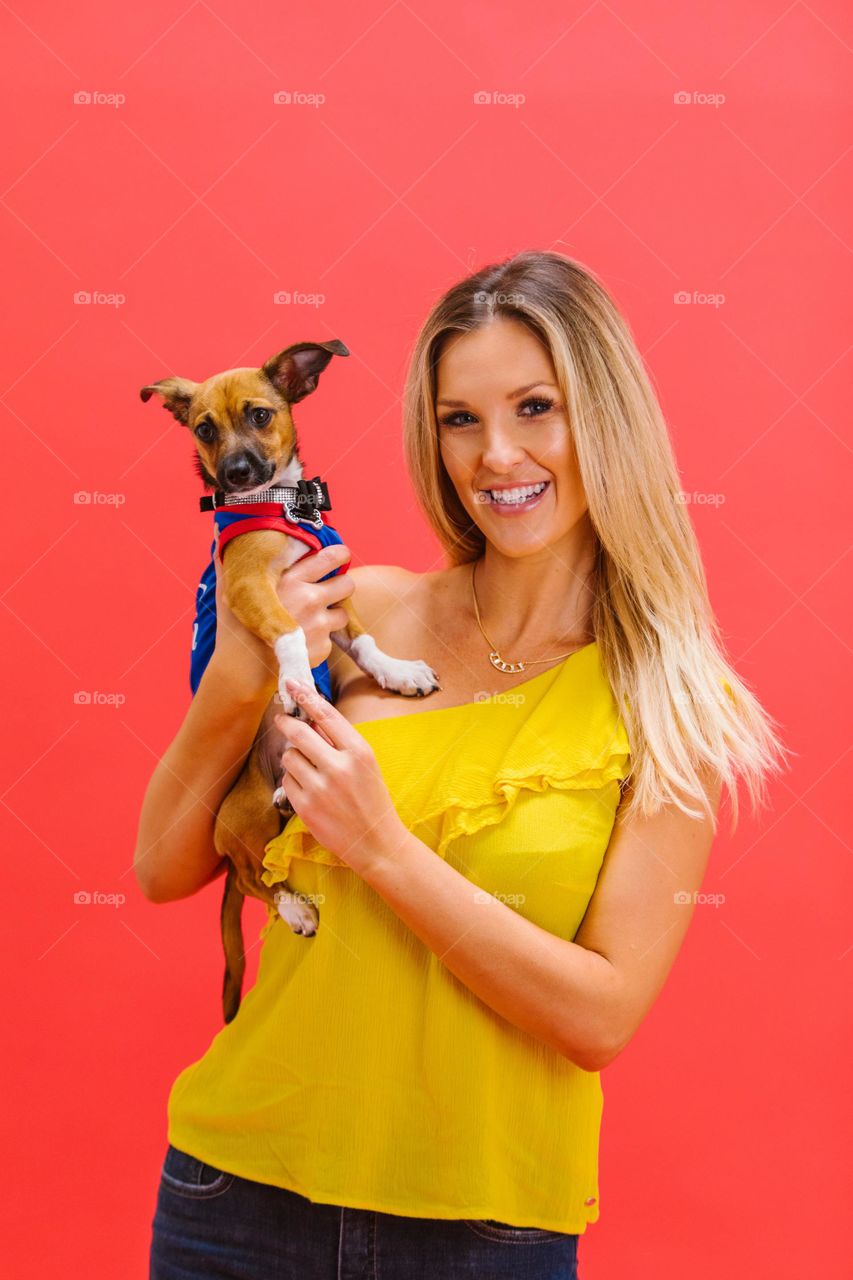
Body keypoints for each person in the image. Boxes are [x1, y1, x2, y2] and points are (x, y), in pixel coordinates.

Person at [136, 250, 788, 1279]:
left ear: (605, 417)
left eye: (535, 407)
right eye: (459, 419)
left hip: (483, 1233)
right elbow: (162, 866)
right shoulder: (358, 604)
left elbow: (598, 1016)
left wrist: (381, 847)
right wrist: (244, 663)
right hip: (238, 1201)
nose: (496, 454)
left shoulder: (670, 703)